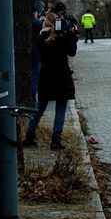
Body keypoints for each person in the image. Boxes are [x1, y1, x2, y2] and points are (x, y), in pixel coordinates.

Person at [23, 12, 78, 150]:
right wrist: (71, 34)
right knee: (61, 107)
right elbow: (72, 51)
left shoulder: (40, 38)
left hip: (46, 75)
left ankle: (29, 134)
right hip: (62, 75)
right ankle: (55, 139)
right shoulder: (63, 37)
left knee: (41, 106)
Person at [31, 7, 44, 109]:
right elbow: (40, 25)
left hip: (34, 53)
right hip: (36, 54)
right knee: (36, 78)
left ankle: (33, 100)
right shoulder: (35, 22)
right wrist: (43, 20)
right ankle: (33, 101)